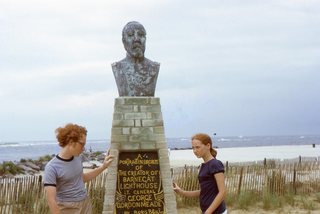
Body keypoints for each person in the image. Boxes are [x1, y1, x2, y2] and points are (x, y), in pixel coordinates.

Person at [44, 123, 114, 214]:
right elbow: (51, 200)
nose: (84, 149)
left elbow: (82, 178)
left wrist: (104, 166)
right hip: (68, 208)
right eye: (82, 144)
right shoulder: (52, 167)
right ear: (71, 142)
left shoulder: (78, 158)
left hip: (85, 204)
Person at [173, 133, 227, 214]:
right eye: (193, 148)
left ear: (208, 146)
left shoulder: (215, 164)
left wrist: (208, 211)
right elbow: (204, 191)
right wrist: (181, 192)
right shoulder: (204, 166)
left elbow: (222, 192)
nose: (195, 151)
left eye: (197, 147)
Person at [112, 21, 160, 96]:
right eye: (131, 35)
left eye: (141, 35)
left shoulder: (154, 67)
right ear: (123, 41)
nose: (136, 39)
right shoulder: (117, 68)